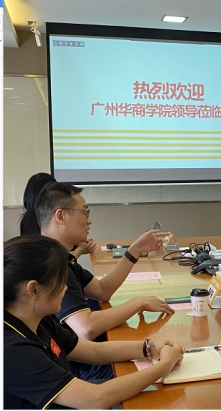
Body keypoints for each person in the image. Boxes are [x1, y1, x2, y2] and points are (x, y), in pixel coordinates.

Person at [4, 235, 185, 409]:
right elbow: (95, 399)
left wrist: (149, 346)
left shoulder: (37, 318)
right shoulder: (13, 349)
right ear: (34, 290)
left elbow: (94, 351)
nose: (66, 288)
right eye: (60, 281)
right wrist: (164, 366)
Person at [34, 181, 176, 380]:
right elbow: (86, 328)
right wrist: (138, 302)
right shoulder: (50, 264)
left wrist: (135, 250)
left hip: (86, 354)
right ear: (60, 216)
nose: (89, 221)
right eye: (85, 212)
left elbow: (102, 290)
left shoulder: (59, 256)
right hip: (79, 367)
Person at [20, 172, 97, 259]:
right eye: (84, 212)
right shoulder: (47, 256)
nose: (89, 221)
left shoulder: (26, 222)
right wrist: (80, 250)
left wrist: (79, 244)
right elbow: (66, 262)